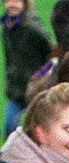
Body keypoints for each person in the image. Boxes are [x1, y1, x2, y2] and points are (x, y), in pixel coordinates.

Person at [1, 0, 52, 137]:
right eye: (8, 1)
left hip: (35, 90)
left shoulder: (32, 28)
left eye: (17, 1)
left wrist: (41, 76)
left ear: (25, 3)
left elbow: (50, 53)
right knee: (9, 126)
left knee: (37, 131)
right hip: (16, 90)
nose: (12, 4)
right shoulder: (7, 27)